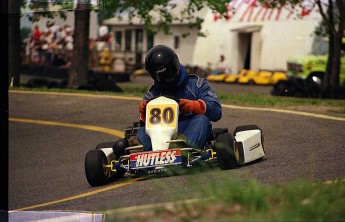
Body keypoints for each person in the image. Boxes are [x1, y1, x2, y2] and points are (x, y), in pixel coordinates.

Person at [132, 45, 222, 151]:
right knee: (142, 129)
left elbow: (217, 111)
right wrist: (144, 113)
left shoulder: (197, 84)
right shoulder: (151, 95)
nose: (164, 77)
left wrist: (195, 106)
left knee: (201, 120)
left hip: (189, 130)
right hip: (160, 136)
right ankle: (139, 151)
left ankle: (181, 148)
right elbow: (145, 125)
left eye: (167, 72)